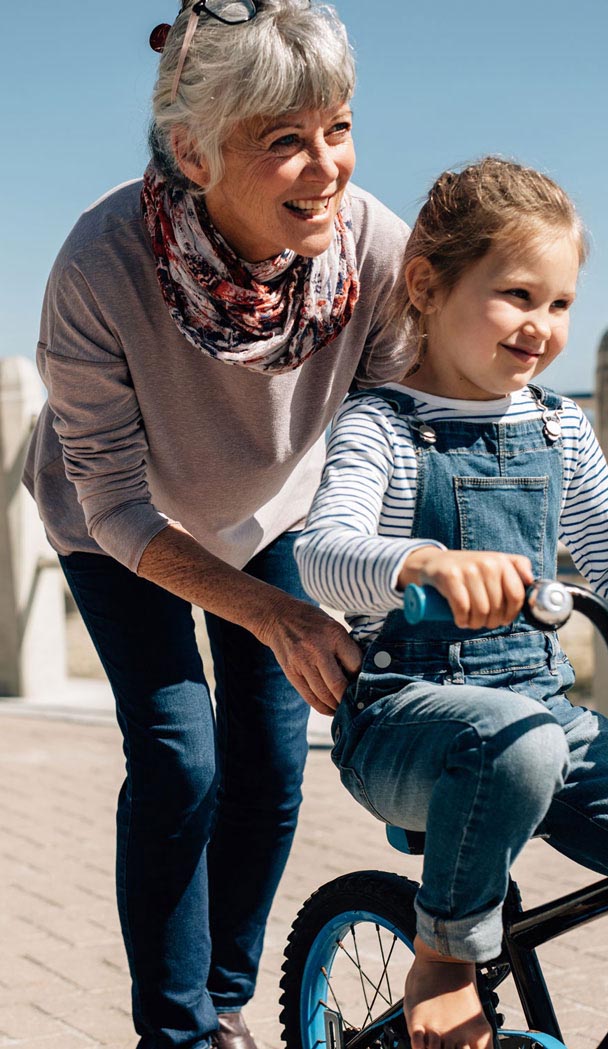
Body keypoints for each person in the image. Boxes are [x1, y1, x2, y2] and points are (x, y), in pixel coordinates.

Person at [22, 2, 411, 1047]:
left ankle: (226, 1001)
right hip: (120, 520)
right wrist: (277, 616)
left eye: (337, 126)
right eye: (284, 140)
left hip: (269, 506)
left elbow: (400, 429)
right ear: (194, 152)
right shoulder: (99, 265)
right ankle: (178, 1031)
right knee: (181, 754)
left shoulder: (373, 247)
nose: (326, 165)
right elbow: (112, 500)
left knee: (276, 763)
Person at [295, 156, 608, 1049]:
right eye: (515, 296)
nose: (540, 327)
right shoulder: (380, 425)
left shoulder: (556, 425)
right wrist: (420, 562)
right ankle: (445, 952)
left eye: (560, 304)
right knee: (516, 743)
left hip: (545, 717)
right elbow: (322, 557)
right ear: (426, 284)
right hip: (406, 718)